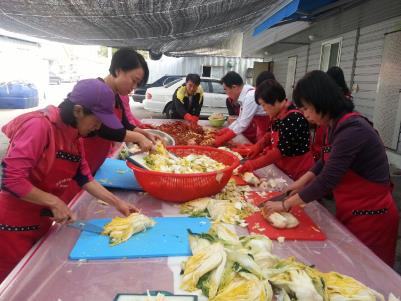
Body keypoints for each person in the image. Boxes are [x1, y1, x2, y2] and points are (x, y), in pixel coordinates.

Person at [0, 79, 139, 282]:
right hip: (13, 226)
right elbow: (11, 179)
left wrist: (119, 204)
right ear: (78, 110)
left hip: (41, 221)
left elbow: (84, 178)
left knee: (35, 279)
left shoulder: (75, 135)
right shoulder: (39, 126)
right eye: (97, 120)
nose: (98, 126)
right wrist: (54, 201)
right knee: (13, 285)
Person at [262, 70, 399, 266]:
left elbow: (328, 179)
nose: (305, 115)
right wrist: (299, 183)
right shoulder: (334, 125)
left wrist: (285, 205)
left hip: (372, 216)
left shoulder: (353, 129)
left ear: (321, 101)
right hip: (350, 208)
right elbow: (325, 160)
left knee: (370, 274)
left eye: (307, 108)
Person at [82, 48, 158, 174]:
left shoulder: (115, 96)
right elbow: (103, 129)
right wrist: (138, 137)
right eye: (134, 81)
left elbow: (124, 124)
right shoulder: (95, 91)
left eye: (137, 84)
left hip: (96, 162)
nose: (134, 88)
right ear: (118, 70)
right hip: (82, 160)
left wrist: (145, 134)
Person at [237, 79, 314, 180]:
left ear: (275, 100)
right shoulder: (278, 114)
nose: (263, 109)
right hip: (284, 169)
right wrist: (258, 146)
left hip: (299, 173)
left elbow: (279, 152)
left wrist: (253, 164)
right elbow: (271, 132)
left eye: (264, 105)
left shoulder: (294, 118)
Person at [214, 71, 270, 146]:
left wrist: (222, 139)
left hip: (268, 129)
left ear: (234, 87)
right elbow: (240, 119)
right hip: (261, 129)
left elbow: (243, 124)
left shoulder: (250, 97)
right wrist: (224, 131)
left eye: (225, 89)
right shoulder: (245, 94)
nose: (226, 93)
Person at [311, 66, 353, 161]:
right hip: (337, 124)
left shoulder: (330, 94)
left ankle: (320, 158)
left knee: (324, 143)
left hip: (328, 122)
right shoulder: (346, 94)